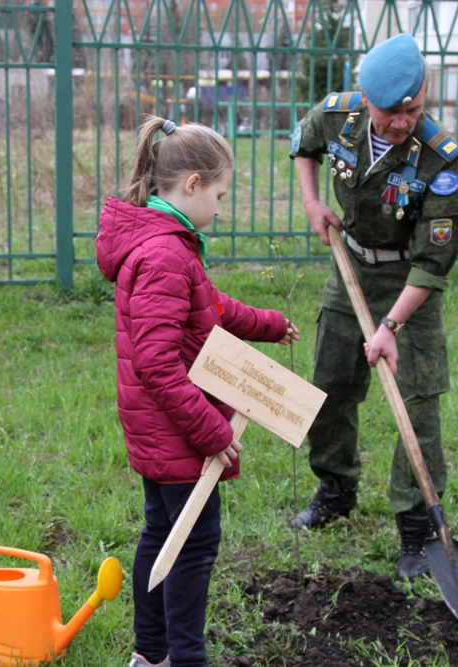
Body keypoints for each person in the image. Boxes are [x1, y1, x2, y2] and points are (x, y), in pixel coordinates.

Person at [96, 117, 300, 667]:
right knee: (192, 544)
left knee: (163, 532)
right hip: (178, 430)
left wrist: (270, 323)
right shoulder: (164, 254)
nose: (220, 207)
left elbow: (211, 306)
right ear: (191, 185)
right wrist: (211, 433)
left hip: (159, 428)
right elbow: (157, 362)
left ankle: (151, 653)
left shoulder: (168, 244)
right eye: (219, 194)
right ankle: (185, 658)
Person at [288, 33, 458, 581]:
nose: (403, 121)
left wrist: (391, 326)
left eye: (413, 108)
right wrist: (313, 202)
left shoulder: (439, 158)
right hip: (352, 269)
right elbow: (302, 142)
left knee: (418, 403)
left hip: (409, 280)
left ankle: (416, 529)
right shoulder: (338, 117)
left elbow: (434, 264)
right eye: (391, 112)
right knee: (332, 382)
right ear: (367, 101)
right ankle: (336, 488)